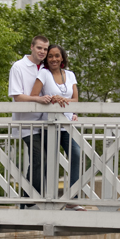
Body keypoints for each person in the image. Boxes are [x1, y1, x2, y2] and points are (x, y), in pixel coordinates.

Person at [30, 44, 86, 211]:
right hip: (51, 125)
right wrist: (51, 98)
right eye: (50, 56)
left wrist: (63, 100)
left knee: (77, 155)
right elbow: (34, 96)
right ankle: (49, 200)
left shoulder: (70, 75)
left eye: (57, 56)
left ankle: (72, 199)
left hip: (68, 124)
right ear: (47, 59)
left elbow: (76, 100)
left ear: (62, 58)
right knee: (49, 162)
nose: (53, 59)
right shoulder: (44, 73)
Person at [8, 35, 51, 207]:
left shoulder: (46, 68)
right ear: (32, 47)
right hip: (26, 124)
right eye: (39, 48)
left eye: (45, 49)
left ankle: (27, 200)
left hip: (46, 123)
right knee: (40, 159)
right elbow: (17, 96)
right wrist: (37, 100)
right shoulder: (18, 67)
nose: (42, 52)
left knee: (42, 161)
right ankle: (30, 201)